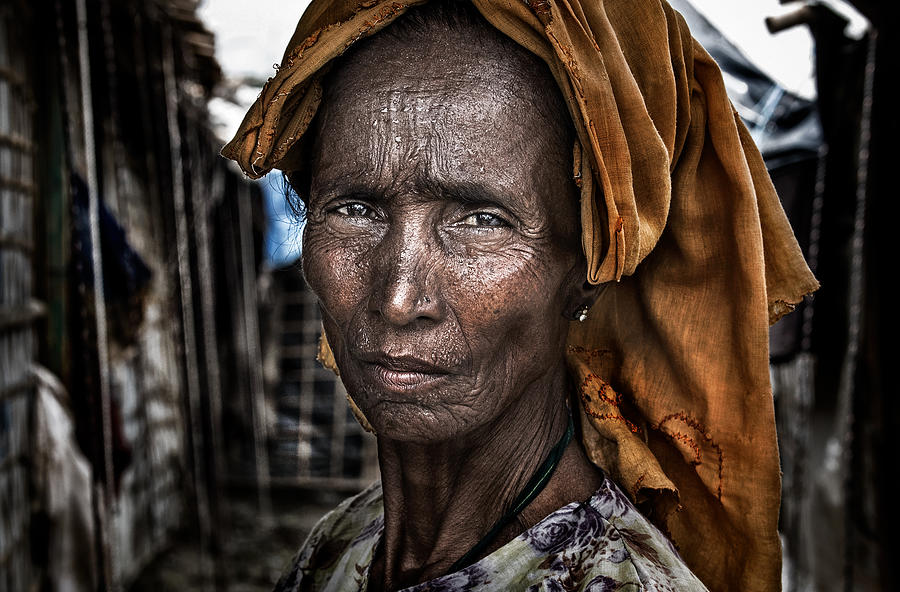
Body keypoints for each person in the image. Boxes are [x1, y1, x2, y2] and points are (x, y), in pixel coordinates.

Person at [222, 1, 818, 591]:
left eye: (482, 221)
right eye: (354, 210)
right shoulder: (340, 545)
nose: (399, 299)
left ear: (588, 265)